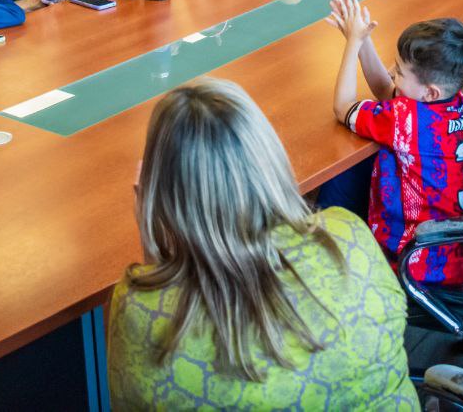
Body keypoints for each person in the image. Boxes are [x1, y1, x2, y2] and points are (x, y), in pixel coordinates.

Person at [106, 78, 418, 408]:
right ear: (268, 156)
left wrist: (152, 234)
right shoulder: (348, 236)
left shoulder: (140, 308)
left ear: (162, 190)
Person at [325, 0, 463, 284]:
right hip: (461, 254)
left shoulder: (405, 120)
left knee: (333, 190)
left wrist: (352, 44)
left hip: (418, 264)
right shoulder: (458, 103)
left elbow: (342, 107)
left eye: (398, 71)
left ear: (430, 92)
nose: (391, 72)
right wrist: (363, 40)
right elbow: (388, 92)